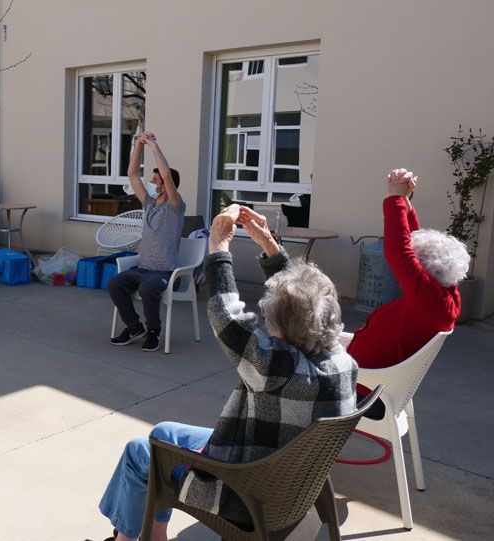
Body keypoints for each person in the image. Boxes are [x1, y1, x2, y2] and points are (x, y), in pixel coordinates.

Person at [98, 205, 357, 541]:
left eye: (270, 320)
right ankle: (151, 536)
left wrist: (218, 247)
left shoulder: (275, 369)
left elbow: (227, 316)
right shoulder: (342, 363)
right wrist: (269, 245)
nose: (266, 324)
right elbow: (309, 301)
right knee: (162, 433)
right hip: (285, 480)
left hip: (242, 492)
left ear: (284, 329)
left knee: (139, 452)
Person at [347, 168, 469, 372]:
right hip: (367, 368)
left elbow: (400, 252)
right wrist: (404, 200)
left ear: (423, 270)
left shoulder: (431, 302)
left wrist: (394, 197)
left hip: (362, 379)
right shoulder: (444, 291)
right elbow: (414, 241)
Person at [108, 133, 187, 352]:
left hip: (166, 274)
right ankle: (135, 328)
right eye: (152, 180)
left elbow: (168, 177)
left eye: (155, 180)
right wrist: (138, 145)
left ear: (165, 185)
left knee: (147, 288)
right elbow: (132, 174)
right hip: (143, 269)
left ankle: (154, 332)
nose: (151, 183)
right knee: (115, 283)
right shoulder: (149, 204)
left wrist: (153, 146)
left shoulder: (175, 206)